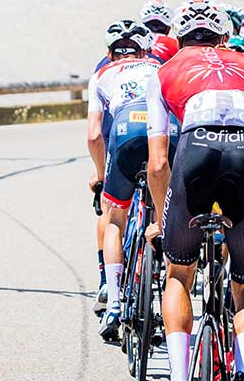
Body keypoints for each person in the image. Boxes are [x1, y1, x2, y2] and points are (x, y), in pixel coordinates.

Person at [145, 0, 244, 381]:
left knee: (178, 274)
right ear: (225, 38)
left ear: (178, 38)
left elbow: (158, 163)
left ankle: (179, 375)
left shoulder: (163, 72)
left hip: (194, 149)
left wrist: (163, 222)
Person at [86, 19, 166, 341]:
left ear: (109, 53)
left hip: (123, 136)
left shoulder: (102, 74)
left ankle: (114, 299)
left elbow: (94, 135)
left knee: (114, 217)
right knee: (164, 217)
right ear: (146, 50)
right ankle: (161, 287)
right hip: (162, 138)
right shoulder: (160, 68)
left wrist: (100, 174)